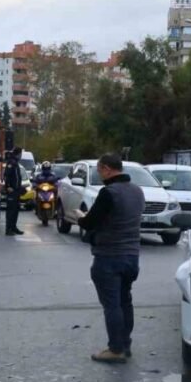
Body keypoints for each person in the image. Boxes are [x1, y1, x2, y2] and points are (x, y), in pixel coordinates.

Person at [77, 153, 145, 364]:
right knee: (125, 301)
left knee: (112, 305)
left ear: (107, 168)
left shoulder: (109, 193)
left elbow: (90, 222)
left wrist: (80, 217)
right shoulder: (138, 191)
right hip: (132, 256)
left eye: (99, 171)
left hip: (109, 256)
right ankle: (125, 344)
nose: (100, 175)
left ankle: (115, 349)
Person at [3, 147, 24, 236]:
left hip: (16, 190)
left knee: (15, 210)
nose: (21, 156)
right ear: (18, 154)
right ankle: (8, 229)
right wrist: (8, 186)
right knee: (11, 211)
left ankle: (13, 227)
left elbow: (17, 177)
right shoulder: (11, 163)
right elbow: (6, 176)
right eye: (20, 154)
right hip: (12, 190)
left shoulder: (16, 163)